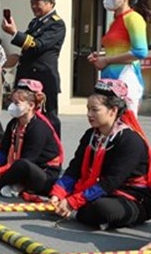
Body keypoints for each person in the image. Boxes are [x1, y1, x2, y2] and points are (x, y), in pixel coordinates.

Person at [50, 79, 151, 230]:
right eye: (88, 109)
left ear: (113, 110)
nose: (89, 114)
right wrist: (58, 193)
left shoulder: (130, 140)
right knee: (56, 190)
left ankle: (82, 212)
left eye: (95, 110)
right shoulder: (91, 135)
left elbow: (111, 182)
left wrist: (73, 202)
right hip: (104, 190)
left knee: (103, 209)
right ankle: (85, 212)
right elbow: (75, 168)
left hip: (132, 198)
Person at [0, 79, 63, 198]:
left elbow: (27, 161)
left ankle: (16, 184)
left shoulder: (39, 128)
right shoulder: (13, 124)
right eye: (12, 102)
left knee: (22, 164)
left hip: (43, 174)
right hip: (20, 166)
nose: (12, 106)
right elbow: (3, 152)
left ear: (31, 105)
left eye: (17, 103)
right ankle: (13, 183)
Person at [2, 0, 65, 135]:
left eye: (39, 2)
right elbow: (28, 47)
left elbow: (37, 45)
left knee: (48, 118)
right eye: (33, 2)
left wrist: (14, 33)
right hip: (28, 77)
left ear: (51, 3)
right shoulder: (35, 23)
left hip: (44, 79)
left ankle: (53, 149)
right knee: (26, 117)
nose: (34, 6)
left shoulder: (56, 24)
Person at [89, 0, 150, 114]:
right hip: (109, 79)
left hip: (125, 77)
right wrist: (100, 56)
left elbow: (140, 51)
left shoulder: (133, 18)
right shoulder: (115, 22)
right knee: (109, 121)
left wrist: (106, 60)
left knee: (125, 120)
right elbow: (117, 50)